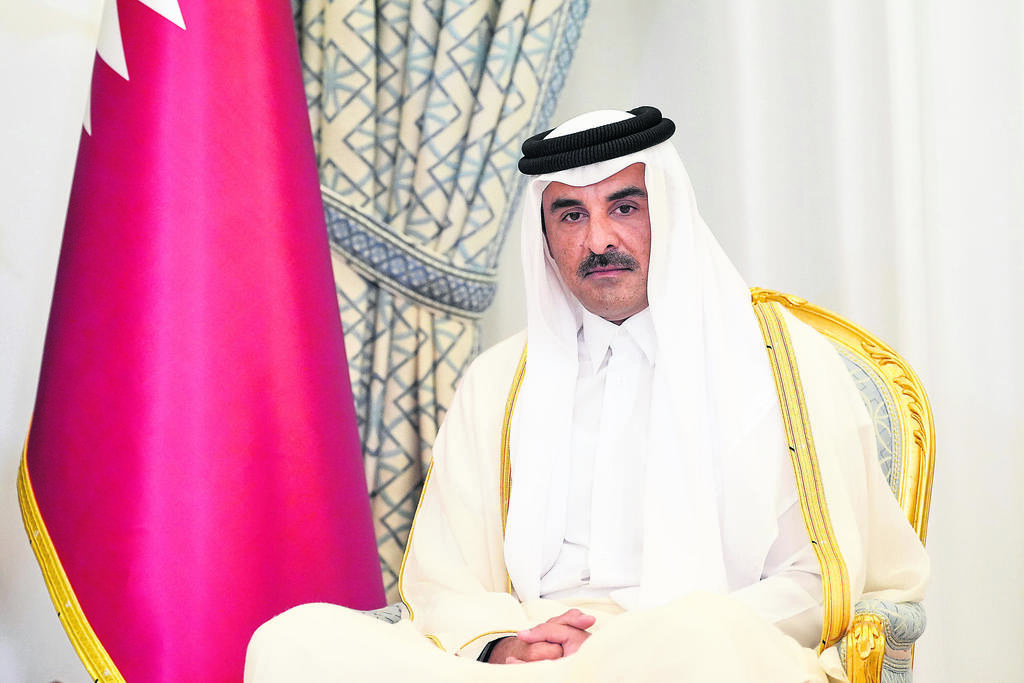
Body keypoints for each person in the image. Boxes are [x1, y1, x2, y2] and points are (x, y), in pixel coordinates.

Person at [244, 107, 929, 682]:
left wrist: (644, 639)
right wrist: (503, 644)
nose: (599, 240)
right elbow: (445, 575)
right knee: (295, 640)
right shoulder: (499, 382)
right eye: (570, 215)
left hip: (692, 651)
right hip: (533, 657)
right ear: (545, 238)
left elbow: (820, 577)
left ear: (669, 213)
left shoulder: (780, 360)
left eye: (624, 208)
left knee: (700, 632)